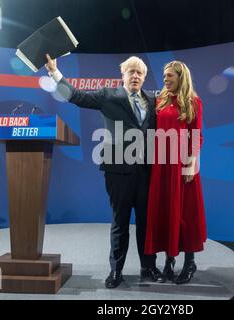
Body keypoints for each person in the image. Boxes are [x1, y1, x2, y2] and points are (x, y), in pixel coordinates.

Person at [45, 54, 165, 288]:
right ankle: (116, 271)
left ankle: (148, 267)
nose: (136, 76)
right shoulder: (108, 95)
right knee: (120, 222)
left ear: (144, 77)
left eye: (140, 73)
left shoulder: (152, 100)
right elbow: (76, 96)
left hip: (147, 172)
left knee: (146, 222)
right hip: (118, 171)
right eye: (131, 72)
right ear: (123, 75)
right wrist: (54, 73)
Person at [145, 61, 207, 284]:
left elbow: (197, 135)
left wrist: (191, 163)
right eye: (164, 76)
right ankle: (168, 261)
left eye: (169, 76)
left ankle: (189, 262)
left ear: (181, 77)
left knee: (185, 215)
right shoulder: (160, 101)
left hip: (183, 167)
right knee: (164, 212)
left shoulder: (193, 101)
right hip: (161, 166)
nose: (165, 80)